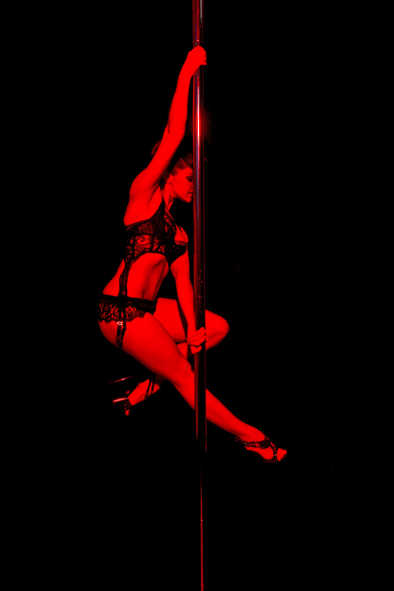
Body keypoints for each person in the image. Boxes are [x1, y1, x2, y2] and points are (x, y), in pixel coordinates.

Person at [98, 47, 287, 463]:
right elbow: (173, 133)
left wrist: (194, 328)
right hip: (120, 312)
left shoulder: (181, 234)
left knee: (216, 329)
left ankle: (140, 390)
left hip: (148, 311)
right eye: (188, 177)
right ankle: (252, 437)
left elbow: (184, 286)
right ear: (169, 174)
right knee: (185, 375)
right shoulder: (142, 198)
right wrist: (188, 69)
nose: (193, 186)